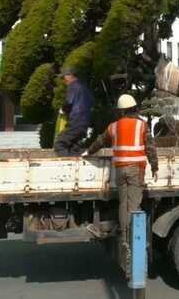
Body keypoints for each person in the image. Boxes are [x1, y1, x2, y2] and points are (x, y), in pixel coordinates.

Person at [83, 94, 158, 246]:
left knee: (123, 204)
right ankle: (133, 240)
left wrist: (88, 152)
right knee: (134, 205)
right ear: (134, 108)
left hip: (119, 170)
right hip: (135, 169)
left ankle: (124, 237)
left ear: (121, 111)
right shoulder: (141, 125)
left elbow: (100, 141)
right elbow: (150, 148)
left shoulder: (113, 126)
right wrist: (155, 167)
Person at [53, 67, 94, 156]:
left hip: (75, 121)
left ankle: (66, 166)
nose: (63, 80)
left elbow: (68, 102)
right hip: (85, 123)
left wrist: (63, 110)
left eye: (63, 77)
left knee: (60, 144)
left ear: (69, 76)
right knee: (74, 148)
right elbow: (92, 103)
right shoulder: (84, 88)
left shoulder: (72, 86)